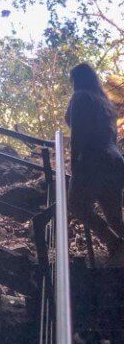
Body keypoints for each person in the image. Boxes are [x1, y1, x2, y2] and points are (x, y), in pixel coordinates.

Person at [66, 62, 124, 262]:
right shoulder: (104, 103)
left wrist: (74, 167)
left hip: (94, 159)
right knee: (114, 216)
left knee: (77, 204)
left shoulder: (80, 97)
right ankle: (118, 247)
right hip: (115, 160)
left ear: (77, 80)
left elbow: (77, 135)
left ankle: (113, 242)